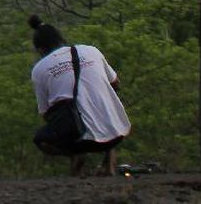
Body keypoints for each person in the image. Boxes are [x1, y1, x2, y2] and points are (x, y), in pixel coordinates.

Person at [29, 15, 130, 177]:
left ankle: (76, 154)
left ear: (40, 50)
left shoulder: (39, 69)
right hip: (117, 132)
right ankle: (108, 164)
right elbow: (116, 83)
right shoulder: (91, 51)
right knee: (104, 99)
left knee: (43, 138)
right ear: (62, 39)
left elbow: (45, 113)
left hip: (79, 139)